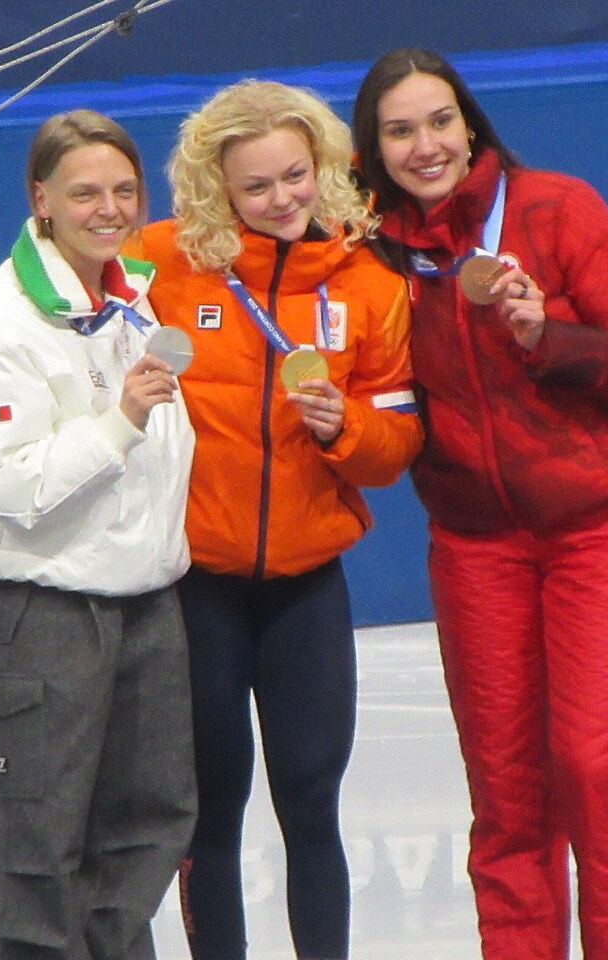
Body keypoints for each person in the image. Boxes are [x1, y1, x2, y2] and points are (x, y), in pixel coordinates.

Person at [352, 48, 608, 960]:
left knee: (591, 766)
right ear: (373, 151)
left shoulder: (555, 207)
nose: (427, 146)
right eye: (401, 130)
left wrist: (550, 336)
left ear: (471, 124)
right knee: (505, 791)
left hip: (594, 533)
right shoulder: (374, 252)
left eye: (441, 121)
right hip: (475, 547)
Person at [129, 79, 424, 960]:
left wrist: (351, 430)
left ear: (323, 165)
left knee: (310, 800)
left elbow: (397, 442)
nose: (282, 199)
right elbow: (55, 296)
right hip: (199, 589)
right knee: (211, 807)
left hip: (307, 594)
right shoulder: (162, 264)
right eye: (256, 187)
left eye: (295, 175)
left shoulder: (368, 283)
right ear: (218, 190)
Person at [0, 109, 197, 960]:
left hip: (147, 608)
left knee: (148, 831)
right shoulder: (0, 325)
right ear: (41, 199)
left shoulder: (128, 298)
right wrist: (119, 424)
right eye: (84, 192)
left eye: (123, 189)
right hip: (41, 616)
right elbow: (5, 484)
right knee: (35, 857)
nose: (107, 207)